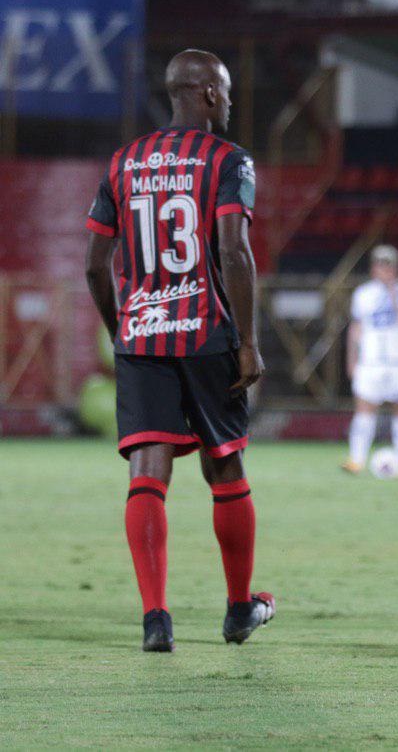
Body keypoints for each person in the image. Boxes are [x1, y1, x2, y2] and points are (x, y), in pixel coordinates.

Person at [84, 49, 274, 652]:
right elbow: (233, 249)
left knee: (148, 472)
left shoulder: (123, 161)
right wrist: (247, 343)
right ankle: (240, 609)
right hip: (205, 333)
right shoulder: (228, 160)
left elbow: (95, 264)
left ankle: (155, 619)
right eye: (227, 91)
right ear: (211, 95)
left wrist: (122, 329)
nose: (231, 102)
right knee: (225, 466)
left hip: (141, 336)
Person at [343, 245, 398, 477]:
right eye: (380, 264)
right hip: (371, 361)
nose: (384, 269)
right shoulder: (363, 294)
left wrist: (395, 300)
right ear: (373, 267)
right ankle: (356, 459)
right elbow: (355, 330)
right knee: (365, 408)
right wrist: (352, 359)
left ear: (396, 268)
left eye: (389, 265)